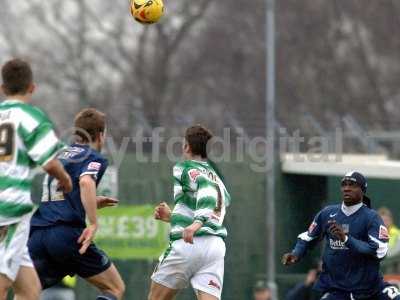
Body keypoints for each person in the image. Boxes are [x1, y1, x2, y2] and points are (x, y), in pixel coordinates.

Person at [28, 108, 125, 300]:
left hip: (38, 234)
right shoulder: (93, 156)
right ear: (100, 135)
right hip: (65, 235)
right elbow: (86, 182)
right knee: (115, 289)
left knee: (27, 293)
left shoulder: (61, 153)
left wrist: (92, 202)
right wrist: (94, 222)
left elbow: (65, 193)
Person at [0, 58, 72, 300]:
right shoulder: (31, 117)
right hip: (10, 208)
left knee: (29, 290)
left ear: (2, 89)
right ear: (32, 87)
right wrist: (65, 179)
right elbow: (49, 161)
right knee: (2, 281)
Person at [282, 171, 400, 300]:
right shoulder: (327, 214)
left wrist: (346, 239)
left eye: (352, 185)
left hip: (371, 289)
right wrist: (296, 253)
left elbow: (379, 251)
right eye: (344, 184)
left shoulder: (371, 218)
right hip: (339, 290)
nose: (347, 188)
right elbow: (308, 237)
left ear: (363, 190)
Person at [148, 125, 231, 300]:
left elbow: (207, 195)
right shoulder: (217, 179)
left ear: (187, 147)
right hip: (215, 247)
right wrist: (172, 217)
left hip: (189, 244)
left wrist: (196, 224)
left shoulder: (186, 168)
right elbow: (216, 207)